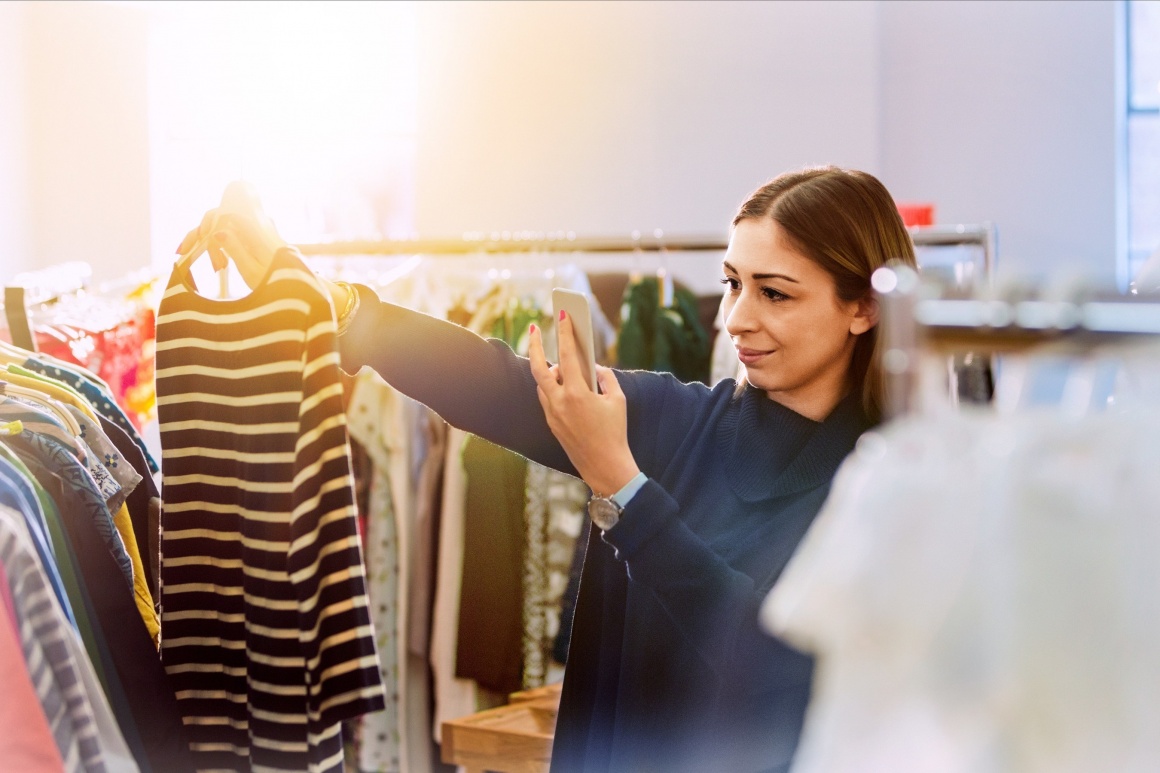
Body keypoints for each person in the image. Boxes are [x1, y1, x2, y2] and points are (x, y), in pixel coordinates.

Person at [178, 166, 918, 773]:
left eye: (774, 292)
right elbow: (496, 383)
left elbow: (774, 670)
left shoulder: (892, 489)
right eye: (732, 283)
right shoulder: (681, 420)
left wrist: (624, 491)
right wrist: (332, 304)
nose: (735, 319)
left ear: (862, 307)